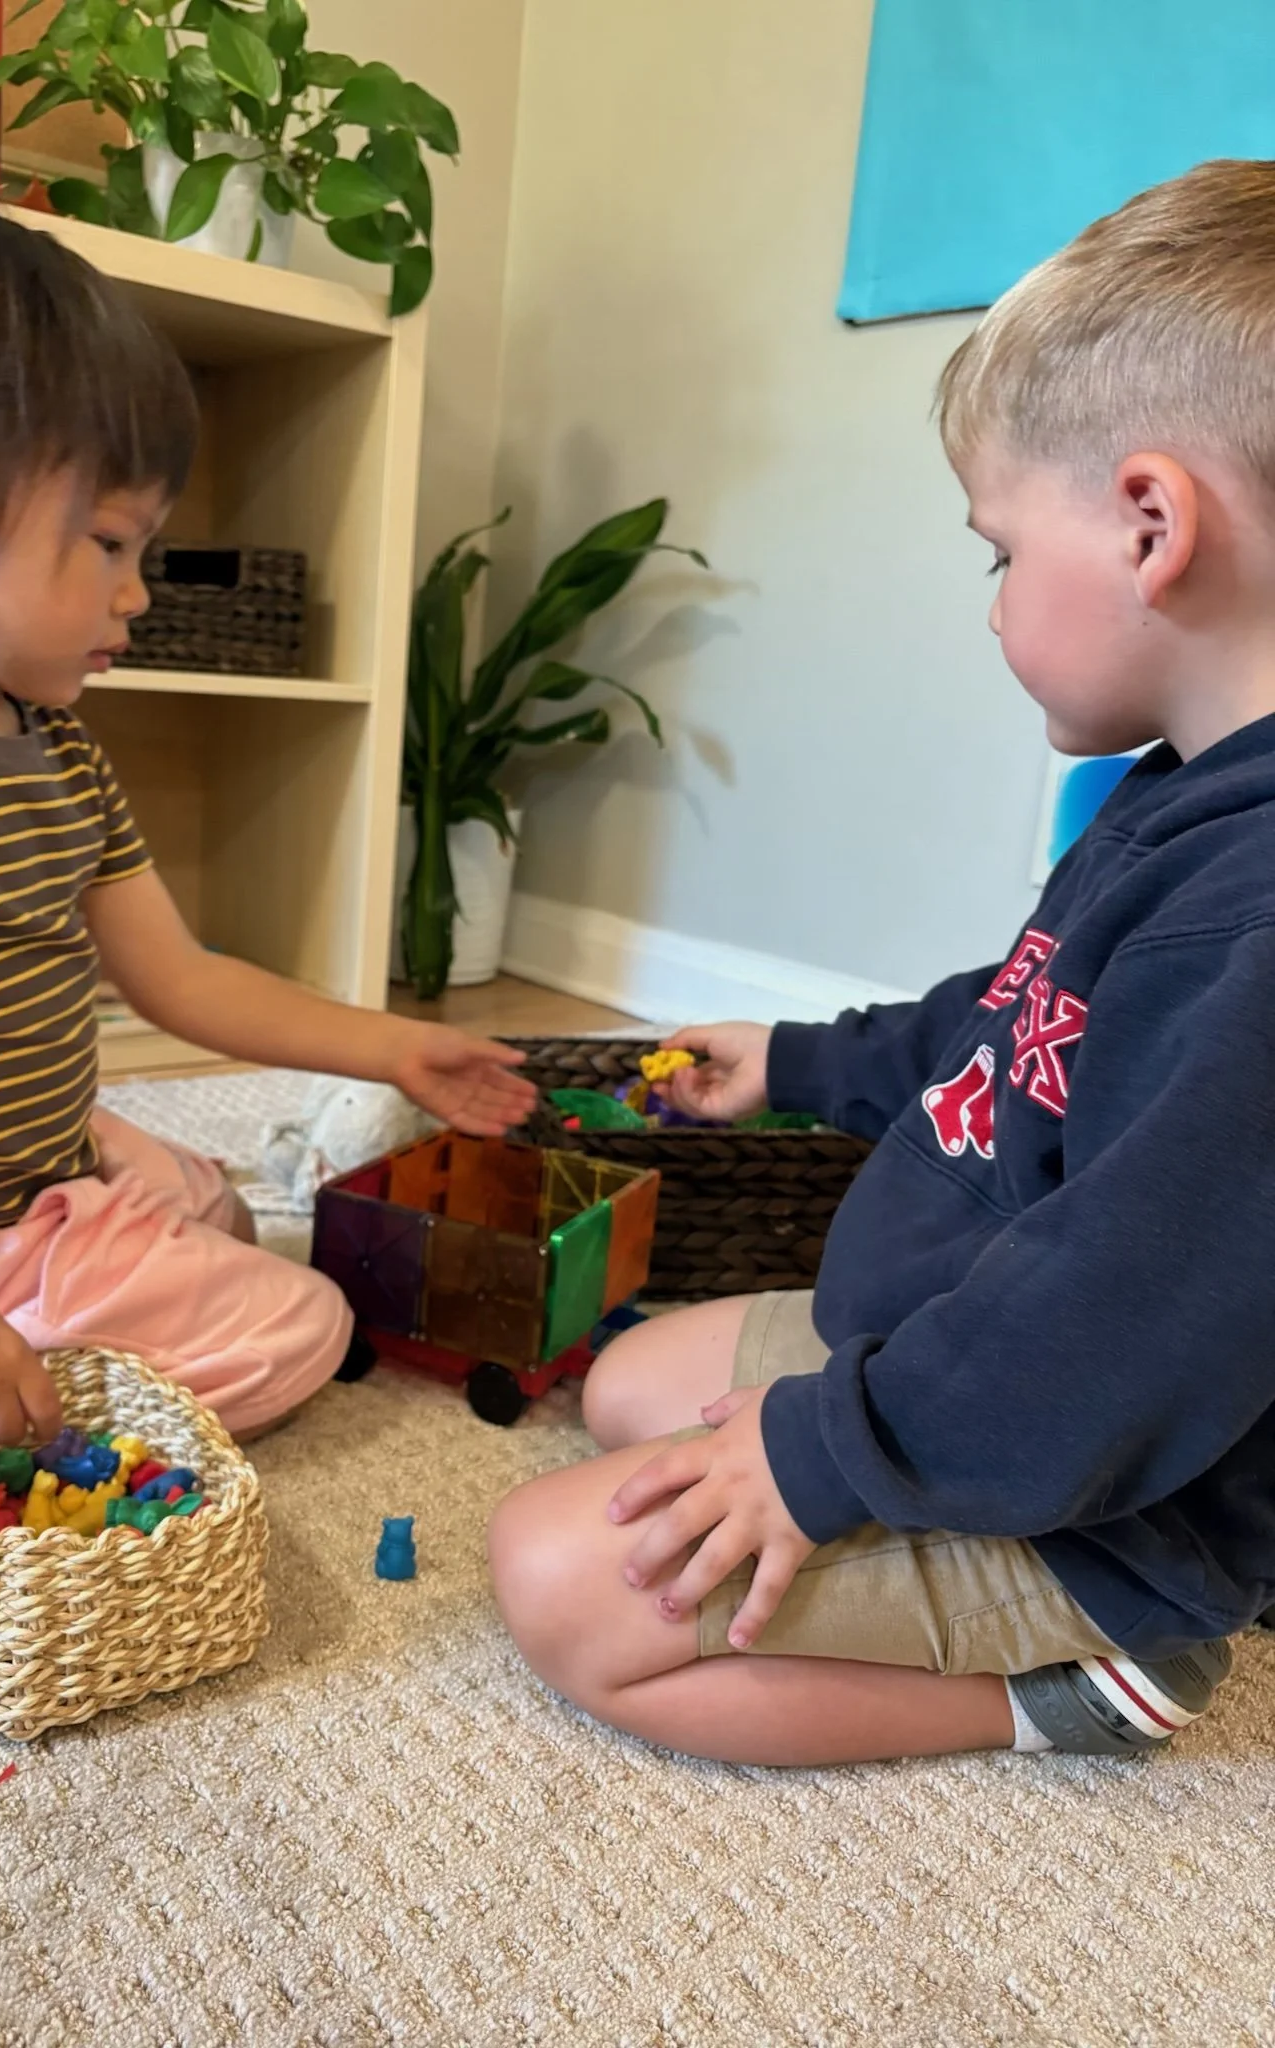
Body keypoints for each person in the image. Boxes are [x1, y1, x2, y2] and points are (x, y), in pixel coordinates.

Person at [490, 158, 1275, 1765]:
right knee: (635, 1382)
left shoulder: (1257, 916)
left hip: (1108, 1518)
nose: (992, 606)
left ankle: (1087, 1683)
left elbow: (1112, 1317)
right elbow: (1015, 1029)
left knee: (559, 1578)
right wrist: (792, 1056)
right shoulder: (1180, 796)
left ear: (1149, 522)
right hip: (967, 1370)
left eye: (998, 551)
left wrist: (821, 1459)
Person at [0, 181, 534, 1474]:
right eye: (109, 542)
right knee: (306, 1327)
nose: (138, 594)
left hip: (29, 1173)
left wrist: (398, 1048)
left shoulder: (52, 743)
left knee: (218, 1202)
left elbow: (181, 978)